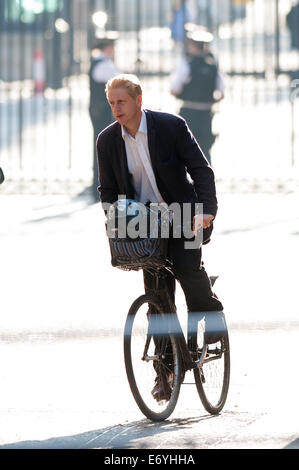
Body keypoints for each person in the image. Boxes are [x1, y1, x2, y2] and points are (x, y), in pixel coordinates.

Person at [97, 74, 225, 401]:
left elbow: (200, 169)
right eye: (111, 103)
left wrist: (206, 209)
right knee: (156, 296)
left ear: (138, 100)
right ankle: (164, 372)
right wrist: (114, 216)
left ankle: (211, 316)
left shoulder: (171, 126)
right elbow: (108, 190)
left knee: (186, 270)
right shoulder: (107, 140)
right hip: (145, 223)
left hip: (183, 213)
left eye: (121, 102)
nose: (116, 109)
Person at [170, 26, 224, 165]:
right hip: (206, 112)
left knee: (185, 147)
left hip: (188, 111)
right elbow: (221, 92)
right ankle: (206, 179)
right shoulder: (213, 65)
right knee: (204, 149)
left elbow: (174, 89)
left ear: (193, 46)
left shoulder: (187, 64)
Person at [88, 34, 118, 201]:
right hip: (102, 112)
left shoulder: (98, 61)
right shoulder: (103, 64)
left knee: (102, 146)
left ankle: (100, 185)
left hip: (98, 110)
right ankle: (98, 186)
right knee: (102, 147)